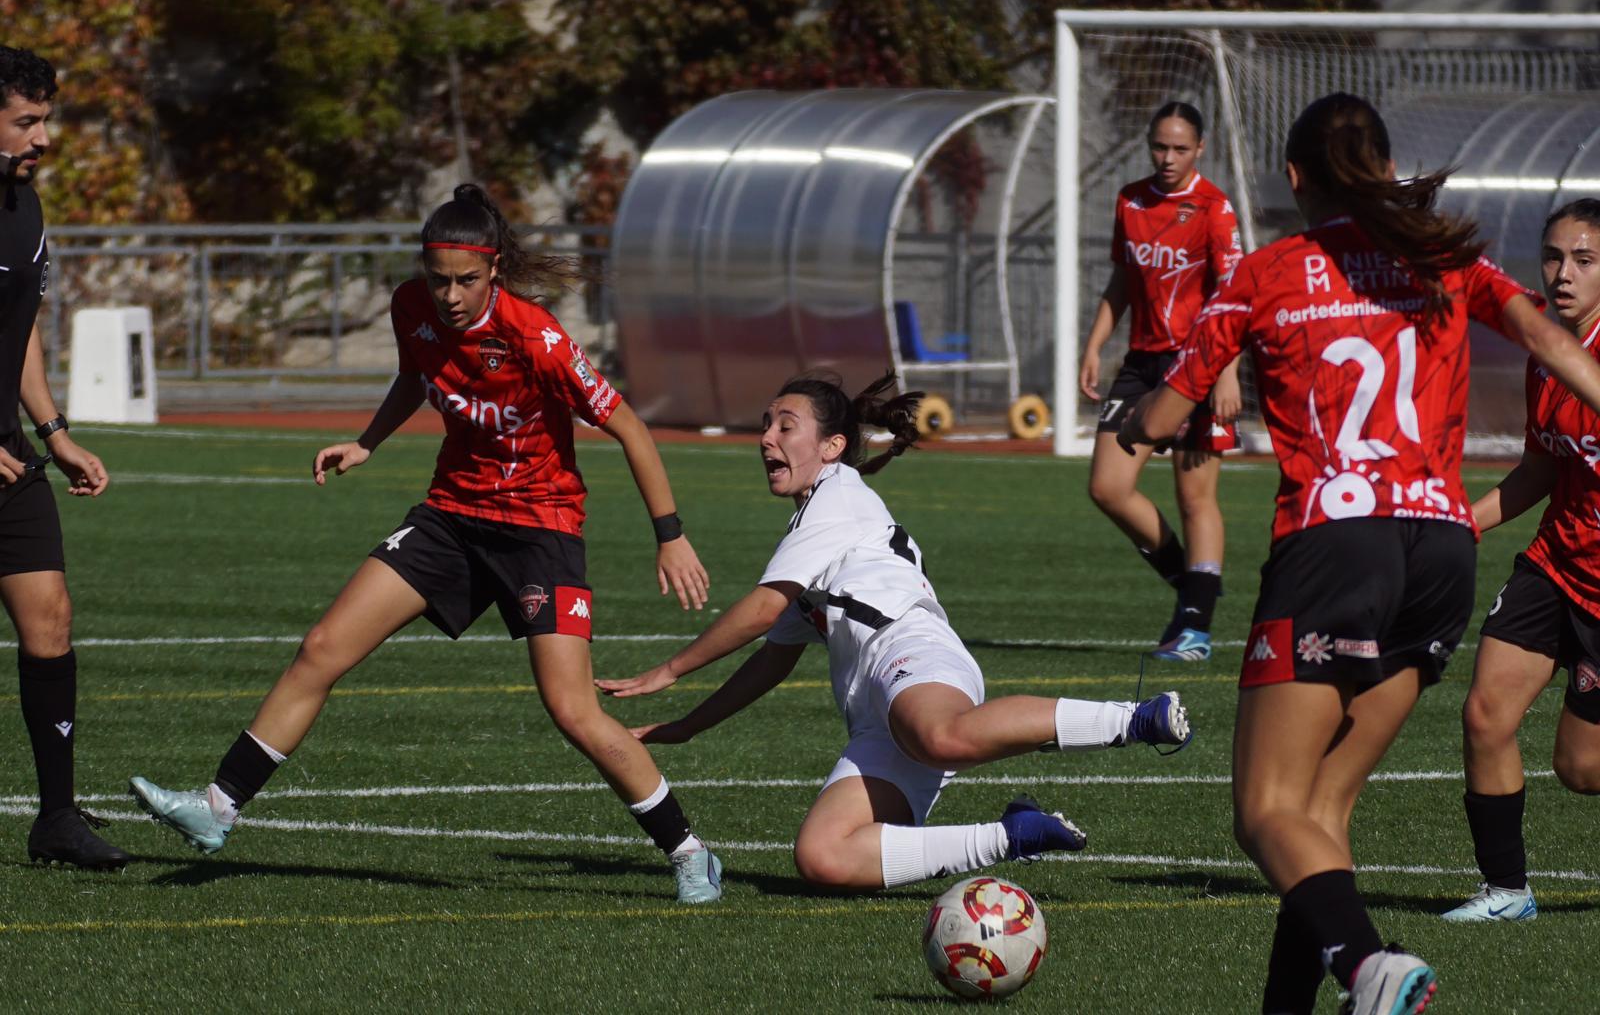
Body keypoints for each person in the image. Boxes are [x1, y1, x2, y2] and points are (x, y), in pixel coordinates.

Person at [1120, 95, 1600, 1015]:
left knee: (1265, 812)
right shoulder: (1446, 261)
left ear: (1296, 178)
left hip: (1337, 546)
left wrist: (1140, 419)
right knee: (1321, 811)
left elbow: (1163, 417)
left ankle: (1370, 966)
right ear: (1382, 169)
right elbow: (1545, 335)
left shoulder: (1267, 272)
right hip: (1442, 553)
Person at [130, 184, 724, 903]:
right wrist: (367, 441)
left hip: (540, 530)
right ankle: (217, 807)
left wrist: (671, 536)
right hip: (450, 516)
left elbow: (628, 426)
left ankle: (689, 851)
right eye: (438, 278)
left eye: (465, 281)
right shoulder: (411, 307)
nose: (448, 295)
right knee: (323, 647)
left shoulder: (537, 337)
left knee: (571, 710)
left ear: (495, 269)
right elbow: (415, 378)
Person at [596, 372, 1192, 893]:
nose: (767, 438)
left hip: (911, 652)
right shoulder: (810, 528)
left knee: (938, 736)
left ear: (832, 447)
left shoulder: (837, 496)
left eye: (785, 425)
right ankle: (1012, 835)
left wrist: (669, 670)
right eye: (765, 425)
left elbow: (756, 611)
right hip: (876, 714)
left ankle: (1134, 719)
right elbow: (771, 659)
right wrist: (690, 726)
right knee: (822, 858)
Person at [1441, 198, 1600, 924]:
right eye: (1554, 258)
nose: (1563, 275)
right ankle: (1507, 892)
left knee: (1581, 768)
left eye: (1584, 260)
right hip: (1554, 565)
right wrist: (1463, 523)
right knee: (1485, 713)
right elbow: (1540, 470)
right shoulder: (1548, 353)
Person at [0, 47, 126, 869]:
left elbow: (22, 333)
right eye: (26, 121)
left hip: (10, 460)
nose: (43, 136)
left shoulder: (25, 207)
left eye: (46, 119)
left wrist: (55, 431)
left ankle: (57, 819)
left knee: (50, 620)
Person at [1079, 101, 1244, 663]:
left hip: (1196, 362)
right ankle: (1193, 586)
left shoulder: (1214, 208)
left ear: (1200, 149)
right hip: (1141, 364)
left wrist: (1226, 372)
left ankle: (1195, 629)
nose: (1167, 157)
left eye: (1179, 148)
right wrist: (1095, 344)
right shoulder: (1130, 199)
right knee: (1107, 487)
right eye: (1159, 146)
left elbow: (1231, 297)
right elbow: (1122, 279)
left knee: (1194, 495)